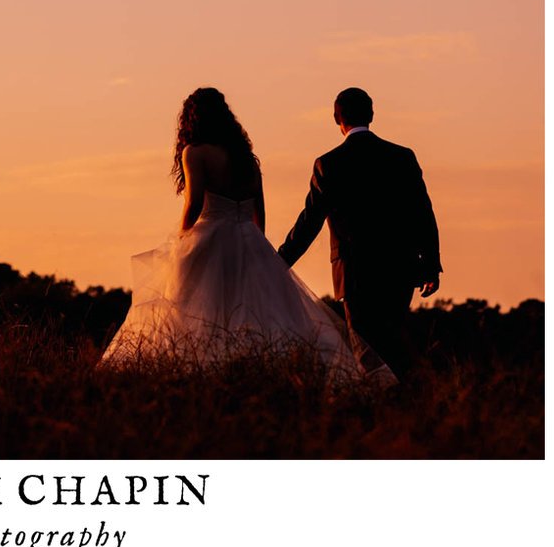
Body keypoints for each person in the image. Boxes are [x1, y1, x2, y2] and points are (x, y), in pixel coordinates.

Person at [98, 87, 365, 381]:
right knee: (258, 317)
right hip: (249, 240)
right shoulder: (247, 159)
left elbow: (194, 203)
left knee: (193, 314)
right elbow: (258, 213)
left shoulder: (194, 153)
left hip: (210, 239)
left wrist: (183, 239)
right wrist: (255, 248)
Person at [274, 86, 443, 382]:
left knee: (366, 352)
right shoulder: (402, 157)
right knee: (392, 344)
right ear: (372, 114)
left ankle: (385, 406)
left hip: (354, 273)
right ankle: (405, 405)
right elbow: (422, 214)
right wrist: (430, 264)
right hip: (399, 269)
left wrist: (278, 262)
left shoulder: (329, 164)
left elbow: (309, 221)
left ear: (336, 119)